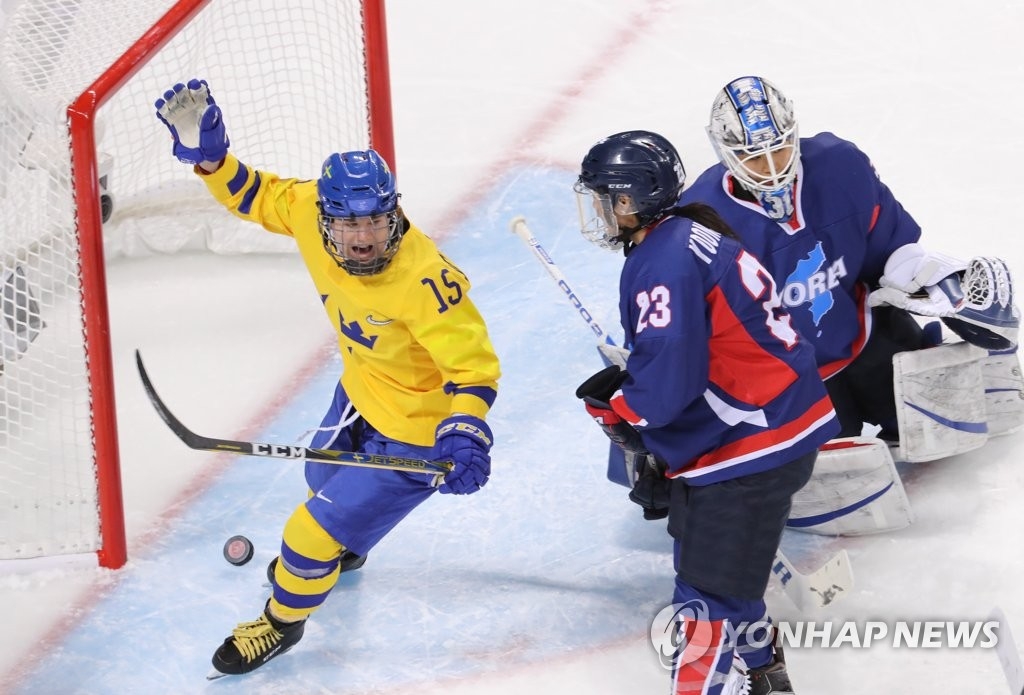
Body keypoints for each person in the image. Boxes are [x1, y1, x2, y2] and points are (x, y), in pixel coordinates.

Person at [155, 79, 501, 677]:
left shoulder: (427, 281)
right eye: (348, 225)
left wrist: (466, 433)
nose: (363, 238)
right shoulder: (310, 213)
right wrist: (212, 160)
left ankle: (281, 624)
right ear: (326, 218)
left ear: (393, 211)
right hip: (361, 394)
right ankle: (348, 547)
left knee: (306, 534)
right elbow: (257, 195)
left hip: (418, 435)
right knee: (320, 478)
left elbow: (475, 369)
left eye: (375, 221)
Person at [573, 130, 840, 695]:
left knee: (701, 598)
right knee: (724, 581)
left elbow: (671, 375)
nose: (596, 210)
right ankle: (765, 674)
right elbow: (695, 351)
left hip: (753, 442)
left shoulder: (661, 261)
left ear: (628, 201)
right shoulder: (688, 232)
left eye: (602, 197)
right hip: (769, 429)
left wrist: (626, 408)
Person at [680, 75, 1019, 445]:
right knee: (824, 470)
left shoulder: (840, 166)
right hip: (792, 378)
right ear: (724, 152)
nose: (772, 167)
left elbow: (889, 249)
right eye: (753, 157)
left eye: (778, 148)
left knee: (944, 421)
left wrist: (937, 284)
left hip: (865, 333)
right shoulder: (699, 223)